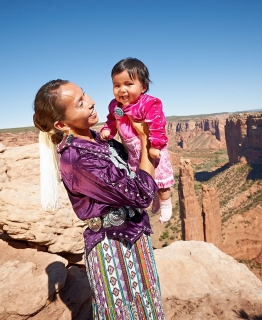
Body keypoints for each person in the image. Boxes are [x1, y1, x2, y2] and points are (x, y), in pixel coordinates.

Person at [33, 79, 165, 319]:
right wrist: (147, 139)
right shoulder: (77, 158)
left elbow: (133, 167)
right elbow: (142, 192)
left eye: (85, 95)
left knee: (148, 308)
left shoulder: (98, 139)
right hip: (113, 248)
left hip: (135, 239)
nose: (92, 102)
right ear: (61, 124)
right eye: (80, 103)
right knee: (125, 312)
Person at [100, 58, 174, 223]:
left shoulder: (149, 103)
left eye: (128, 84)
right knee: (141, 181)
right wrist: (107, 130)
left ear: (143, 87)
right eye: (117, 85)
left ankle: (165, 204)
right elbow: (112, 121)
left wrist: (155, 146)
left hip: (151, 149)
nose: (122, 90)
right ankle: (151, 199)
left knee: (161, 183)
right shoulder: (114, 105)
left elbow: (157, 125)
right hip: (133, 152)